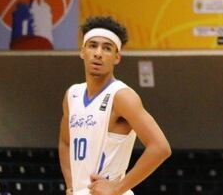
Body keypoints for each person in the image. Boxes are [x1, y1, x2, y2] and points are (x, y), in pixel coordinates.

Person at [58, 16, 171, 195]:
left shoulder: (122, 96)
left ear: (117, 57)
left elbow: (161, 148)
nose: (98, 53)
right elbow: (65, 142)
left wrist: (117, 189)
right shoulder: (72, 94)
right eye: (93, 45)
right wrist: (72, 186)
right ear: (82, 51)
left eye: (107, 48)